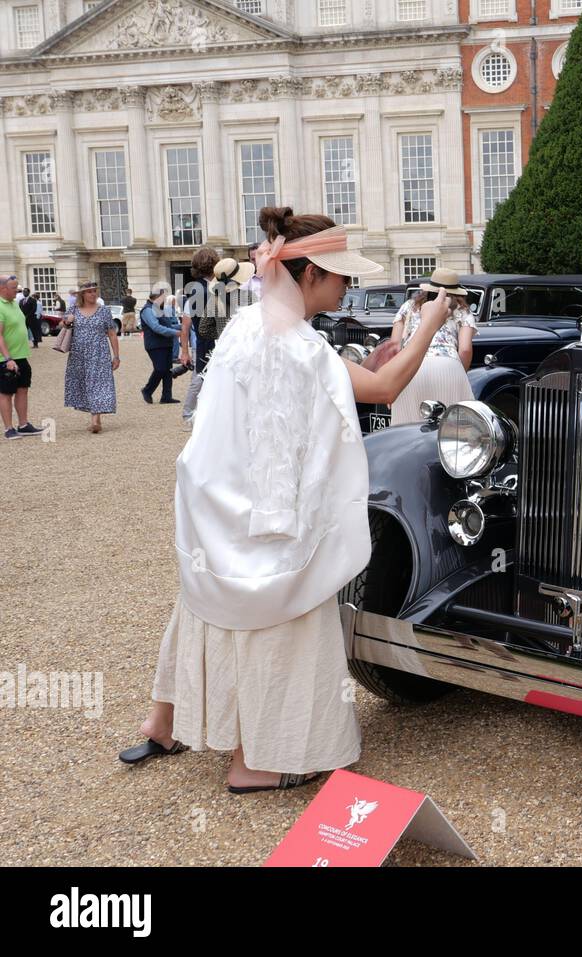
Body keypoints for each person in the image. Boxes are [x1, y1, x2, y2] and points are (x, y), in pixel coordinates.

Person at [118, 205, 449, 793]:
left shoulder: (250, 323)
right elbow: (386, 387)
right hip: (266, 521)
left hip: (216, 504)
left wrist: (357, 368)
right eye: (341, 274)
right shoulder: (299, 345)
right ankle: (257, 761)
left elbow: (320, 387)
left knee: (203, 602)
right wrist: (433, 320)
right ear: (310, 273)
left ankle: (163, 724)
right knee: (279, 619)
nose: (349, 285)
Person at [388, 267, 476, 425]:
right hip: (449, 366)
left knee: (405, 431)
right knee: (452, 433)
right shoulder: (463, 311)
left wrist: (392, 380)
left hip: (410, 366)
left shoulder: (409, 307)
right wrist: (459, 374)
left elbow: (394, 346)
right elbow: (465, 349)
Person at [181, 252, 253, 424]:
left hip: (218, 347)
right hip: (244, 349)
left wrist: (222, 336)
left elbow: (200, 327)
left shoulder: (208, 295)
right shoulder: (249, 296)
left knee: (209, 382)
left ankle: (198, 415)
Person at [62, 279, 120, 434]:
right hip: (78, 354)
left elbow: (112, 334)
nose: (93, 294)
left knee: (98, 384)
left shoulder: (104, 311)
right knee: (85, 384)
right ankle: (96, 416)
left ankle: (95, 420)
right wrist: (67, 322)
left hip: (99, 353)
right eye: (89, 291)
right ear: (82, 294)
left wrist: (116, 356)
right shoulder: (73, 309)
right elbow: (63, 326)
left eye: (94, 291)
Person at [1, 275, 46, 438]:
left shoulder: (14, 304)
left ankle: (23, 424)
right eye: (14, 288)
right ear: (3, 289)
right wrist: (8, 358)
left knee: (22, 390)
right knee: (6, 392)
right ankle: (8, 428)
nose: (17, 291)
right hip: (6, 359)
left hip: (21, 355)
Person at [140, 287, 182, 404]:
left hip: (166, 343)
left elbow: (167, 326)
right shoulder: (147, 310)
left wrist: (182, 327)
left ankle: (166, 396)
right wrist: (176, 332)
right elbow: (156, 327)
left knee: (167, 371)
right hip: (155, 344)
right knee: (160, 369)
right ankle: (147, 390)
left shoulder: (160, 309)